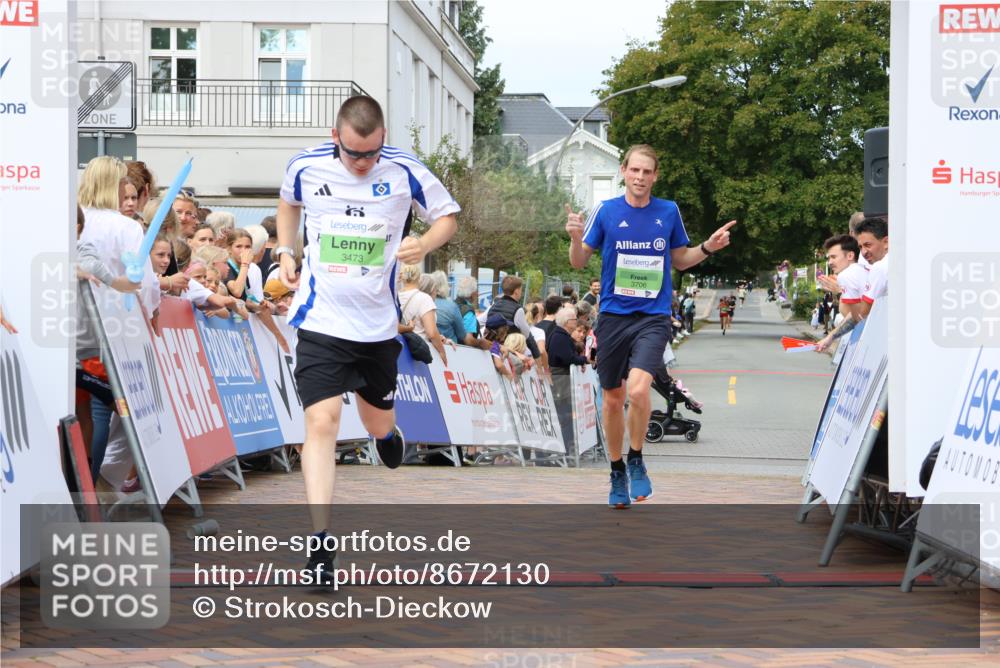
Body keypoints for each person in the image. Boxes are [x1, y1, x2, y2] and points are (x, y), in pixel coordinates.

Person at [275, 95, 459, 577]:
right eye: (355, 154)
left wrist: (425, 241)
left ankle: (387, 434)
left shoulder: (404, 170)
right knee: (322, 423)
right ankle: (319, 543)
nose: (363, 163)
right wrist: (286, 251)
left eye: (372, 153)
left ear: (383, 140)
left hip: (377, 326)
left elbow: (447, 216)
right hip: (320, 319)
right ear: (336, 138)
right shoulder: (306, 166)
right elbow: (288, 204)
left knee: (377, 423)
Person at [565, 143, 735, 508]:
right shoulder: (606, 211)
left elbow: (681, 260)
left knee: (639, 391)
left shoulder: (668, 211)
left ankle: (637, 457)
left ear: (655, 176)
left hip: (653, 317)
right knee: (612, 400)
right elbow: (579, 263)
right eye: (635, 170)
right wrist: (576, 237)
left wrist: (708, 247)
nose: (640, 177)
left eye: (647, 172)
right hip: (613, 317)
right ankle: (616, 469)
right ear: (624, 171)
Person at [815, 234, 867, 352]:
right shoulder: (859, 271)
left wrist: (830, 337)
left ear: (850, 255)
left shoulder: (846, 275)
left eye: (833, 257)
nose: (830, 262)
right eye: (829, 258)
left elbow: (857, 317)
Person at [398, 265, 450, 365]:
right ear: (419, 278)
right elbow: (431, 333)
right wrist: (442, 352)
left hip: (401, 348)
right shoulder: (424, 299)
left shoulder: (396, 296)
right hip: (419, 352)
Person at [486, 276, 541, 360]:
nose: (521, 293)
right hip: (508, 352)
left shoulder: (493, 305)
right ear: (516, 291)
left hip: (491, 347)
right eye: (521, 290)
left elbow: (481, 321)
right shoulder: (518, 309)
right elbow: (526, 333)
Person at [429, 270, 468, 346]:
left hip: (429, 346)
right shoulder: (452, 306)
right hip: (450, 348)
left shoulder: (424, 304)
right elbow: (461, 335)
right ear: (445, 285)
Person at [453, 275, 481, 344]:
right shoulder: (469, 312)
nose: (478, 294)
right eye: (476, 291)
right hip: (463, 351)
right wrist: (481, 343)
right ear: (472, 293)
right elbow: (469, 340)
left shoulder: (452, 304)